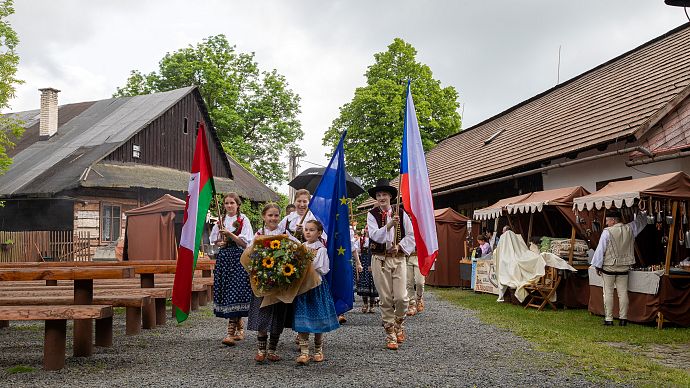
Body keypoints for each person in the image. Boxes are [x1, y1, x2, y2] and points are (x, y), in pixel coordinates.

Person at [367, 178, 415, 350]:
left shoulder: (401, 213)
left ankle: (399, 324)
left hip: (398, 259)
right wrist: (388, 225)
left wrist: (400, 246)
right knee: (386, 298)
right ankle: (390, 333)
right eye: (379, 195)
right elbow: (374, 235)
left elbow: (411, 236)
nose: (381, 197)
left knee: (402, 298)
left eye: (384, 194)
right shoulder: (372, 214)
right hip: (380, 259)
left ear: (390, 197)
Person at [247, 203, 294, 362]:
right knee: (262, 313)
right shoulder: (258, 234)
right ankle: (261, 351)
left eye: (276, 215)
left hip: (280, 281)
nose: (273, 218)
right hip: (263, 280)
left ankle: (272, 350)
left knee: (277, 314)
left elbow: (295, 249)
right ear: (264, 217)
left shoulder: (285, 233)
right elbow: (250, 254)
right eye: (270, 215)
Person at [293, 220, 340, 365]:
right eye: (306, 230)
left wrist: (307, 263)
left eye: (312, 230)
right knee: (303, 316)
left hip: (316, 286)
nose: (307, 232)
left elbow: (323, 268)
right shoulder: (301, 247)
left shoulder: (321, 250)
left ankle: (318, 349)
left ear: (319, 233)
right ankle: (304, 352)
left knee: (318, 317)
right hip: (302, 288)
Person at [210, 193, 254, 346]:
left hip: (238, 258)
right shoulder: (220, 221)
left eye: (232, 203)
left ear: (237, 204)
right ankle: (240, 329)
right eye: (226, 203)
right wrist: (220, 242)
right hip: (224, 258)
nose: (229, 206)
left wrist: (230, 235)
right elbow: (214, 241)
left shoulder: (243, 220)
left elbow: (244, 243)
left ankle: (230, 333)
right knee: (228, 291)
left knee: (236, 292)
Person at [592, 208, 646, 326]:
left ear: (613, 220)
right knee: (623, 293)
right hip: (624, 267)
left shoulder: (607, 232)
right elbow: (641, 222)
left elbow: (601, 250)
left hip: (609, 267)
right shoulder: (630, 228)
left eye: (607, 221)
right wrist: (644, 212)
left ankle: (609, 319)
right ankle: (623, 319)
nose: (606, 223)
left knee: (608, 293)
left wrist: (597, 265)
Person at [354, 226, 379, 313]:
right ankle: (365, 304)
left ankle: (372, 305)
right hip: (363, 261)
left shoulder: (375, 239)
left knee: (372, 283)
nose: (367, 229)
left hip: (373, 260)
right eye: (366, 228)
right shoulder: (361, 240)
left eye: (369, 228)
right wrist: (358, 263)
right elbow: (356, 250)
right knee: (364, 282)